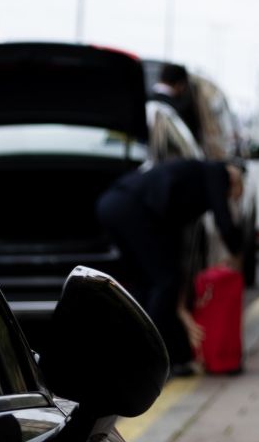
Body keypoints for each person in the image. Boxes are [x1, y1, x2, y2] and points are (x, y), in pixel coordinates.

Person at [96, 159, 244, 373]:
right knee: (165, 283)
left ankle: (142, 355)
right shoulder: (217, 172)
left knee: (146, 283)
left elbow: (174, 240)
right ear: (235, 179)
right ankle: (150, 358)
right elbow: (224, 221)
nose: (231, 197)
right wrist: (237, 254)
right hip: (130, 208)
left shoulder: (192, 182)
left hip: (111, 206)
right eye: (234, 193)